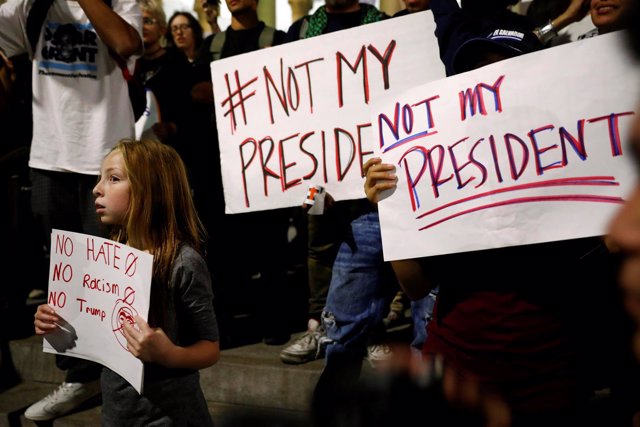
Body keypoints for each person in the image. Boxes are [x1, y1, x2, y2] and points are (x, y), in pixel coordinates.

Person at [361, 0, 623, 425]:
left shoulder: (576, 159)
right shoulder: (444, 171)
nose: (491, 86)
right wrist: (391, 213)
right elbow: (414, 286)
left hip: (551, 375)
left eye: (506, 73)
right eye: (478, 75)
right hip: (455, 370)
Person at [0, 0, 142, 420]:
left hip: (107, 153)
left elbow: (126, 41)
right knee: (64, 274)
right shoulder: (30, 5)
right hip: (49, 156)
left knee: (113, 271)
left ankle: (122, 373)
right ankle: (80, 376)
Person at [34, 138, 220, 425]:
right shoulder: (109, 256)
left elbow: (210, 348)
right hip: (117, 415)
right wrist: (59, 323)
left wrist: (169, 355)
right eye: (100, 178)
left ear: (151, 190)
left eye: (113, 178)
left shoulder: (184, 263)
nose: (96, 188)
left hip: (171, 417)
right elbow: (100, 332)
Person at [280, 0, 387, 366]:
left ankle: (372, 329)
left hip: (367, 161)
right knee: (319, 244)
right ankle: (318, 326)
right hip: (317, 165)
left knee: (372, 246)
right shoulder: (302, 29)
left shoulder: (383, 24)